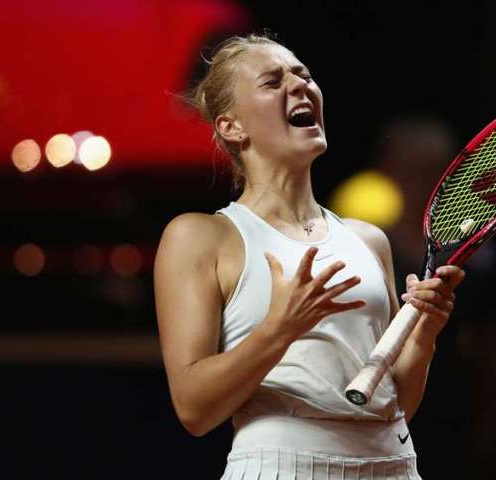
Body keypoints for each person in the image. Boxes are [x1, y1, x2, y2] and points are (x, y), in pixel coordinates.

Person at [153, 33, 465, 479]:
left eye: (304, 76)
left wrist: (423, 337)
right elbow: (194, 409)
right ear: (232, 127)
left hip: (394, 464)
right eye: (272, 81)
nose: (300, 86)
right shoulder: (200, 237)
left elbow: (394, 403)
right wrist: (279, 329)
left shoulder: (368, 240)